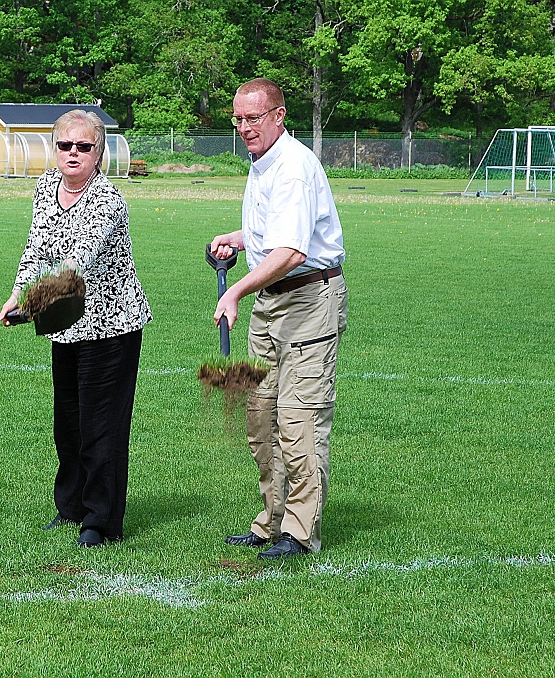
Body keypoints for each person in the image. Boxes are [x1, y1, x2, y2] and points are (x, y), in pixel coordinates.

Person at [0, 110, 152, 548]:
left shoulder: (107, 200)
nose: (73, 154)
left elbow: (76, 263)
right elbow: (36, 245)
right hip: (65, 324)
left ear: (99, 153)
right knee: (67, 425)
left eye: (84, 147)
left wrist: (32, 304)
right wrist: (16, 293)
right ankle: (70, 508)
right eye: (65, 145)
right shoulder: (46, 187)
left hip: (111, 326)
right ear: (54, 147)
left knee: (101, 427)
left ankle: (101, 521)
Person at [210, 78, 348, 560]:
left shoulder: (292, 168)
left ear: (279, 115)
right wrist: (239, 238)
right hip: (272, 303)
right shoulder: (263, 163)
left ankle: (299, 531)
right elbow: (273, 233)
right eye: (238, 118)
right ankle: (271, 521)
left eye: (254, 118)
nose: (245, 127)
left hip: (308, 302)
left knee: (298, 419)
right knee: (260, 418)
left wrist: (236, 289)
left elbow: (291, 251)